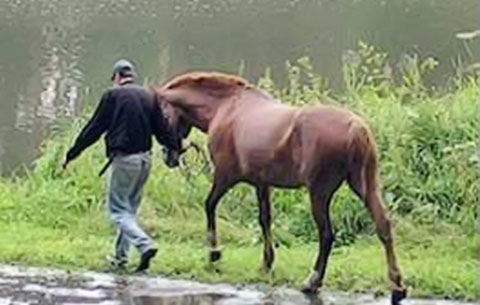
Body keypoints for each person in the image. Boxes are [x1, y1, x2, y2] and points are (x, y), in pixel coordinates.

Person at [62, 59, 180, 272]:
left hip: (124, 160)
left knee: (117, 211)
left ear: (117, 77)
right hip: (145, 161)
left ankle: (145, 245)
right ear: (131, 76)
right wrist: (176, 147)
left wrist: (73, 153)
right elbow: (163, 130)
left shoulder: (112, 96)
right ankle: (120, 259)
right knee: (129, 212)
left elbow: (94, 128)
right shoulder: (149, 96)